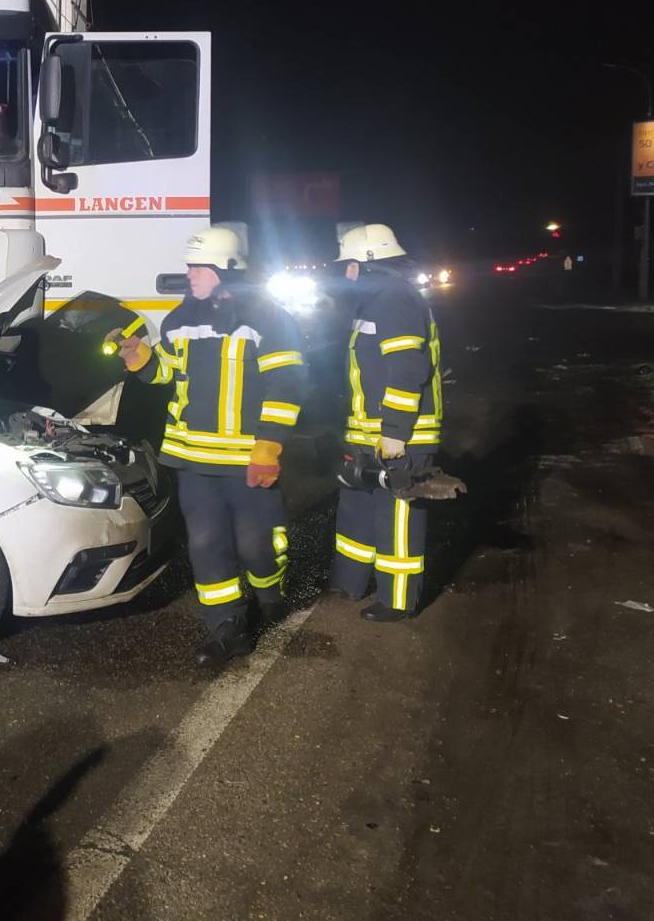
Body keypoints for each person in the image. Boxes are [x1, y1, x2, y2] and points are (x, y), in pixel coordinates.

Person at [112, 227, 309, 666]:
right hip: (195, 462)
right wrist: (143, 360)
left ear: (228, 271)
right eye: (190, 265)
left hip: (247, 461)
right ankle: (225, 628)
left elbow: (287, 384)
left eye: (199, 266)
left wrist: (269, 447)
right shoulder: (179, 320)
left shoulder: (269, 319)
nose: (190, 274)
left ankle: (269, 593)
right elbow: (170, 373)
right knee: (206, 546)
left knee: (257, 544)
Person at [329, 223, 445, 622]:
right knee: (357, 508)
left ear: (369, 263)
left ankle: (397, 601)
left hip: (401, 438)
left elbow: (407, 368)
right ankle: (350, 582)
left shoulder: (395, 300)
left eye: (349, 265)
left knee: (397, 517)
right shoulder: (374, 301)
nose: (344, 273)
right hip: (369, 433)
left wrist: (395, 432)